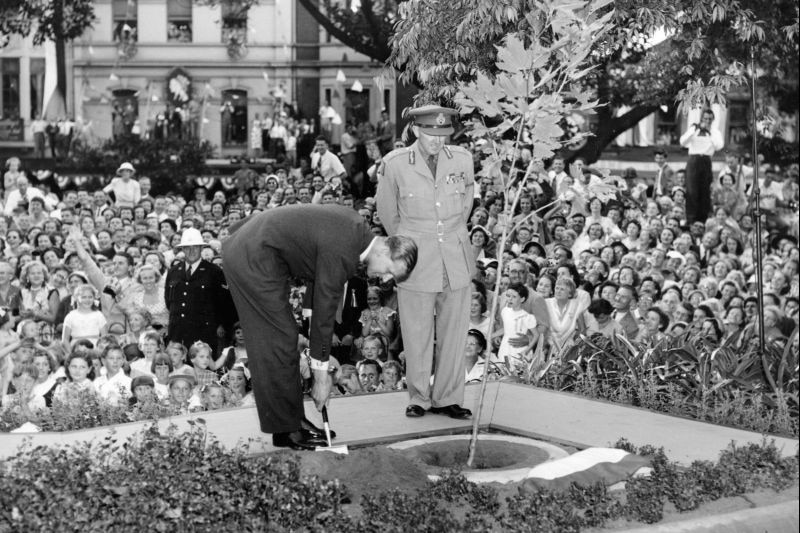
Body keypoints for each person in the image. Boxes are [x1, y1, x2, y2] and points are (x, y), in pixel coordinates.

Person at [222, 205, 417, 450]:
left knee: (284, 338)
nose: (385, 279)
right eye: (390, 271)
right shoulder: (345, 250)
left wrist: (309, 311)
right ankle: (286, 430)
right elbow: (324, 315)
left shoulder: (355, 231)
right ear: (385, 249)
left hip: (259, 250)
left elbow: (314, 266)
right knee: (277, 339)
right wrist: (321, 377)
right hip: (251, 256)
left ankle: (291, 421)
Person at [376, 104, 475, 420]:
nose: (437, 140)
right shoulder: (395, 165)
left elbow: (467, 200)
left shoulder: (462, 159)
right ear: (417, 130)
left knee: (454, 332)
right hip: (416, 260)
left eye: (443, 134)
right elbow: (388, 212)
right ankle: (419, 397)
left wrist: (453, 231)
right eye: (431, 133)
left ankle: (448, 397)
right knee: (417, 332)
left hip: (455, 259)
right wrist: (408, 243)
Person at [164, 228, 233, 353]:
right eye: (187, 247)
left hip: (204, 332)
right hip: (177, 332)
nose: (191, 251)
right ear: (183, 249)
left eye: (195, 247)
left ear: (201, 248)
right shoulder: (174, 271)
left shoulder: (214, 272)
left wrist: (220, 325)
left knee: (203, 369)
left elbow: (224, 303)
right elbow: (169, 301)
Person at [680, 109, 724, 223]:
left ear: (713, 120)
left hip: (706, 160)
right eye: (705, 118)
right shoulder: (694, 129)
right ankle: (691, 219)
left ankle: (703, 219)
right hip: (693, 160)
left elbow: (719, 146)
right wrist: (695, 129)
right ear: (701, 119)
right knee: (692, 190)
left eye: (710, 119)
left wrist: (709, 133)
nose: (708, 121)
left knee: (704, 190)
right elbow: (683, 142)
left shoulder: (715, 131)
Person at [494, 283, 538, 375]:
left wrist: (527, 350)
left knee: (518, 373)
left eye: (514, 297)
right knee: (503, 371)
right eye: (508, 296)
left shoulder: (526, 317)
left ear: (522, 299)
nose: (510, 299)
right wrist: (491, 335)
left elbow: (536, 335)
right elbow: (506, 329)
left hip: (519, 349)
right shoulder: (505, 311)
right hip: (506, 346)